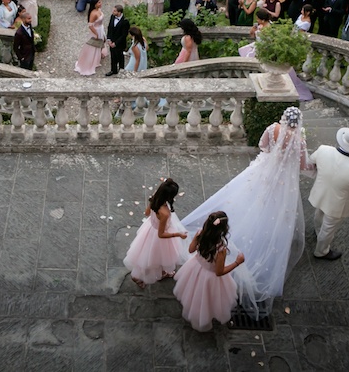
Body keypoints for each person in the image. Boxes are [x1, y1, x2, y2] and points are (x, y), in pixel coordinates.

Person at [181, 107, 312, 313]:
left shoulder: (272, 128)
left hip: (263, 172)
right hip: (283, 182)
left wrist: (275, 157)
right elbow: (303, 166)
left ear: (284, 118)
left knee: (247, 200)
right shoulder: (300, 142)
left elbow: (263, 146)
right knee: (274, 214)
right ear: (298, 124)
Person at [172, 211, 244, 332]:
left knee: (193, 293)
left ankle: (196, 313)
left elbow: (190, 250)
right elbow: (219, 272)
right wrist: (237, 262)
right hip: (210, 278)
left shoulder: (200, 233)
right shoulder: (221, 248)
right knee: (207, 299)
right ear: (223, 229)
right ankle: (203, 319)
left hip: (195, 268)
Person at [307, 126, 349, 261]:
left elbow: (311, 163)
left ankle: (318, 232)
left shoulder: (323, 149)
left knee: (319, 214)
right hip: (338, 205)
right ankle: (321, 251)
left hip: (320, 194)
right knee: (328, 228)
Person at [124, 178, 188, 288]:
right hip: (159, 237)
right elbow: (161, 234)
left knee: (148, 256)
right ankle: (137, 276)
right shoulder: (165, 213)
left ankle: (162, 272)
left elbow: (147, 213)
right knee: (155, 258)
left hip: (149, 229)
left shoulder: (154, 198)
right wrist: (178, 234)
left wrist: (155, 219)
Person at [75, 0, 106, 76]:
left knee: (102, 42)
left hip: (100, 28)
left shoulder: (99, 10)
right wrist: (96, 33)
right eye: (99, 2)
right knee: (93, 46)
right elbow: (90, 25)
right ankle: (90, 61)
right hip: (96, 30)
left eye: (100, 2)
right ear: (95, 4)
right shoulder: (93, 13)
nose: (101, 3)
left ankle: (98, 58)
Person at [105, 4, 130, 76]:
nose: (113, 12)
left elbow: (124, 35)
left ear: (119, 12)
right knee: (113, 57)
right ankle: (113, 70)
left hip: (120, 43)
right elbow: (109, 28)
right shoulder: (112, 17)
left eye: (114, 11)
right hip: (112, 41)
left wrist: (115, 43)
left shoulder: (125, 21)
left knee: (120, 57)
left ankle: (121, 71)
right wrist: (109, 39)